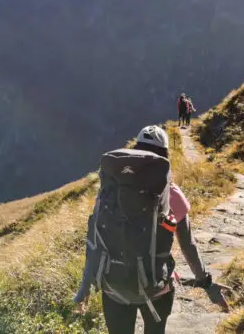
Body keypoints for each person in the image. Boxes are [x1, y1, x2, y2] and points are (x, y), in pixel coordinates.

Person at [74, 125, 213, 334]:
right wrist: (204, 279)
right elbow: (188, 245)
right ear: (165, 156)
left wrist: (85, 286)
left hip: (114, 287)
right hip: (157, 288)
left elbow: (94, 237)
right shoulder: (171, 194)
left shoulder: (110, 191)